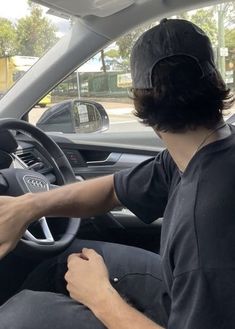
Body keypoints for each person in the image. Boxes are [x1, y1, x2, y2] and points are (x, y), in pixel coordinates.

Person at [0, 18, 234, 329]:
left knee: (21, 315)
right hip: (193, 294)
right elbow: (113, 190)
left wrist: (100, 295)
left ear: (140, 99)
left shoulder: (205, 232)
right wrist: (28, 205)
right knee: (63, 263)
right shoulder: (199, 153)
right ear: (215, 79)